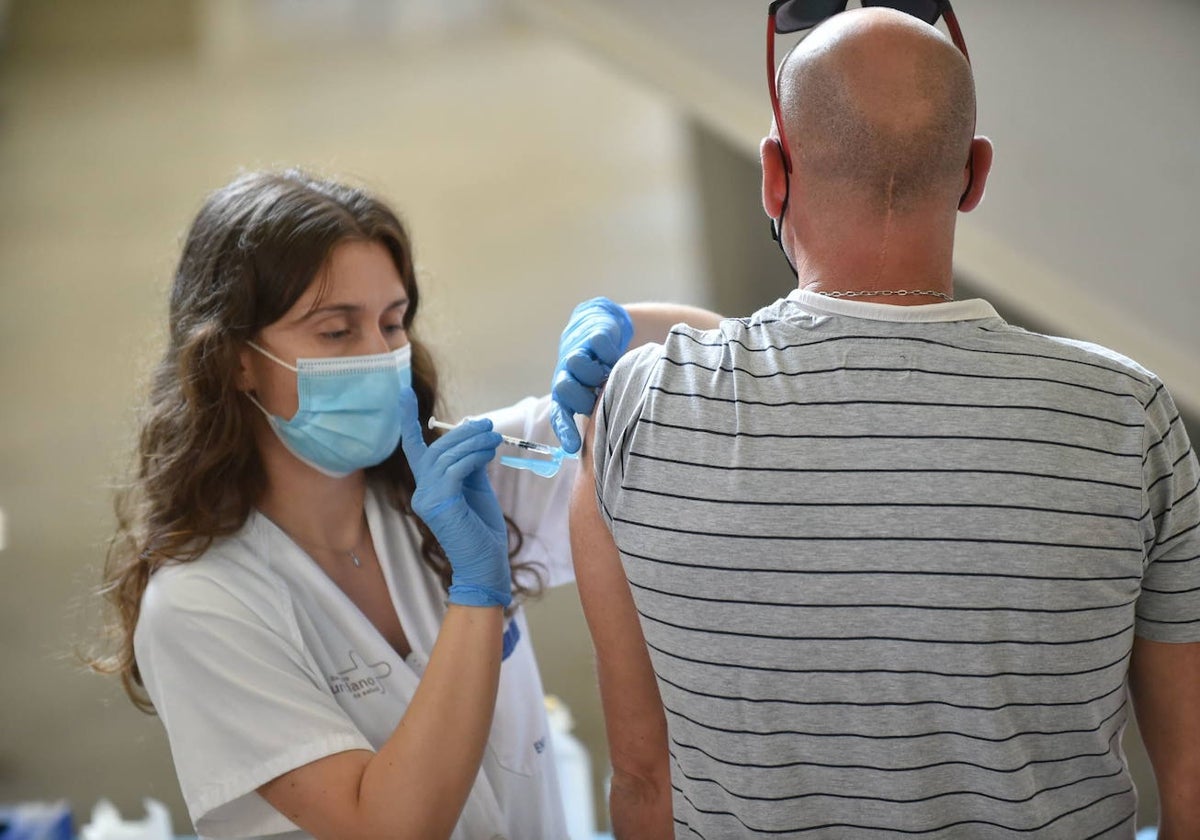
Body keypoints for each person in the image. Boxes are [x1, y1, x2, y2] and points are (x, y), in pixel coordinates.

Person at [567, 7, 1200, 839]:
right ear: (975, 174)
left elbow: (645, 781)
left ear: (773, 175)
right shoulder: (1129, 416)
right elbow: (1191, 775)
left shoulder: (638, 409)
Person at [92, 168, 720, 840]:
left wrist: (625, 328)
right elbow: (391, 827)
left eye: (393, 324)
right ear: (235, 359)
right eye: (336, 332)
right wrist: (477, 593)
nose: (380, 355)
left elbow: (729, 394)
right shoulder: (202, 605)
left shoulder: (456, 484)